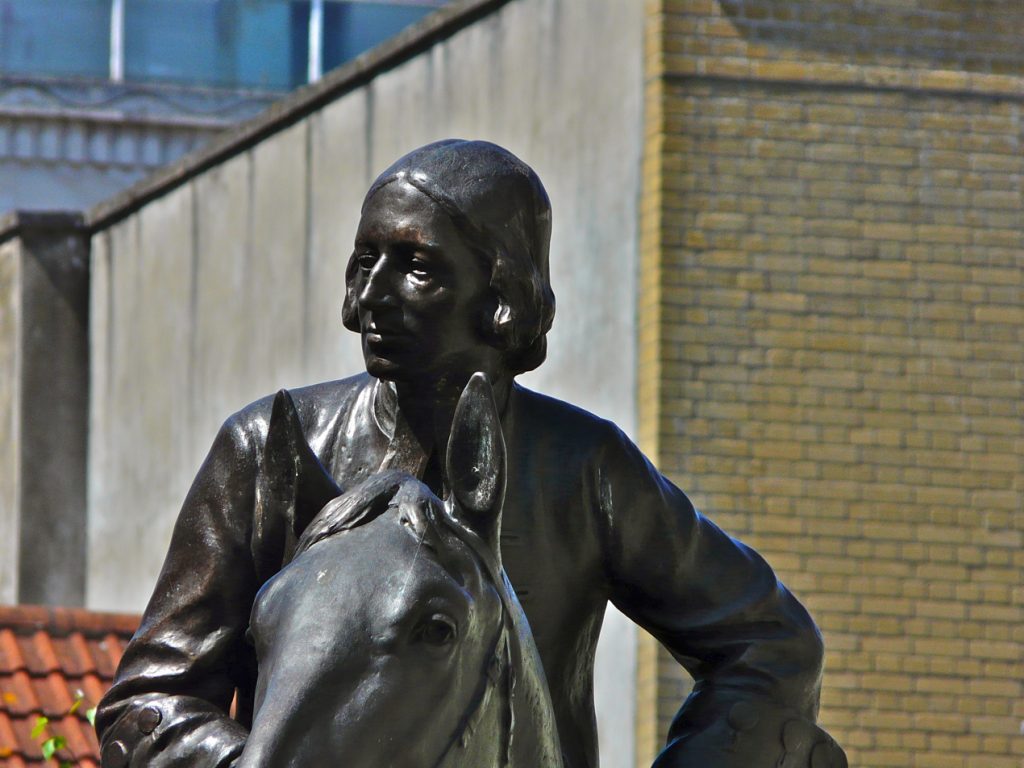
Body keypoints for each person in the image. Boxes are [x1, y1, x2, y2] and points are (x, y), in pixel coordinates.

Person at [96, 139, 845, 767]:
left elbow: (770, 644)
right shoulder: (267, 450)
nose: (370, 298)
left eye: (416, 266)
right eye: (365, 262)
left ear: (503, 297)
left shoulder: (583, 468)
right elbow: (148, 702)